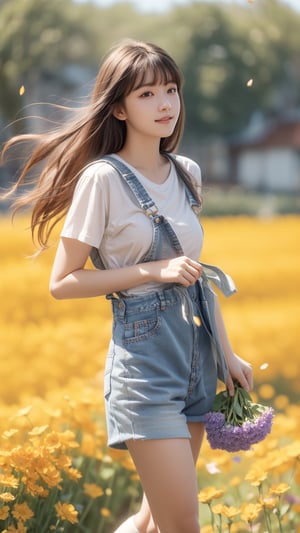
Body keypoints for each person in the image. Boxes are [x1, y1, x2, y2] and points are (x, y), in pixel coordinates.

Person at [2, 40, 253, 533]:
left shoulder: (187, 174)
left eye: (172, 90)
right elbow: (62, 282)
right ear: (117, 106)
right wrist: (148, 271)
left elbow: (196, 277)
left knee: (152, 522)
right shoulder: (103, 179)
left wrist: (227, 354)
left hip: (197, 359)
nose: (165, 104)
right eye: (147, 94)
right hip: (145, 370)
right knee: (182, 523)